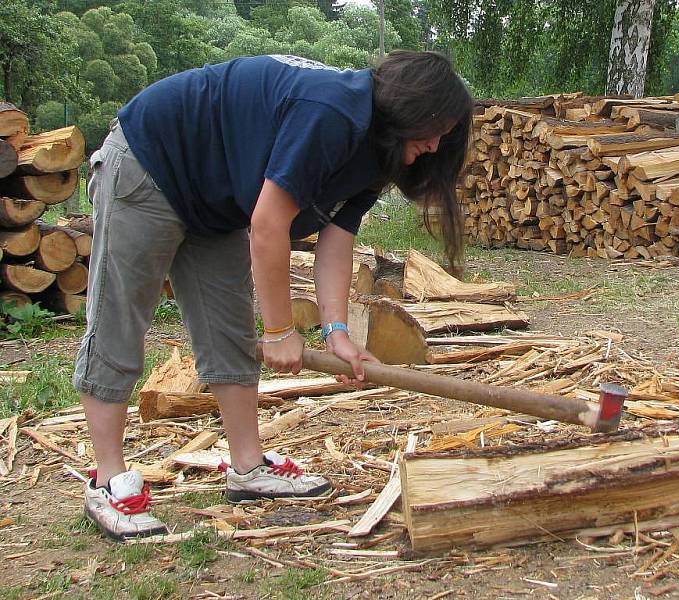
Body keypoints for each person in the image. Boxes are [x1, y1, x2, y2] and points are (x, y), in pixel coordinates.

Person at [74, 50, 473, 540]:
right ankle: (108, 479)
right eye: (432, 128)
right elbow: (268, 223)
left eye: (445, 134)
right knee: (120, 316)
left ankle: (247, 468)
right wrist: (281, 330)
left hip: (214, 203)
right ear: (405, 105)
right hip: (151, 160)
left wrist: (337, 332)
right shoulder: (334, 114)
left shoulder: (379, 152)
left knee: (229, 330)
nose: (436, 144)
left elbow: (337, 236)